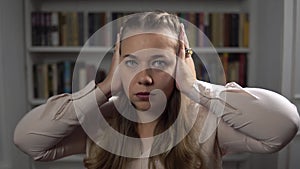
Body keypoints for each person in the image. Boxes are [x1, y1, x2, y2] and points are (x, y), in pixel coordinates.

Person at [14, 11, 300, 169]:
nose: (144, 77)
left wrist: (194, 87)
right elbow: (28, 140)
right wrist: (103, 88)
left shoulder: (205, 124)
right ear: (117, 65)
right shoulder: (100, 124)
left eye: (160, 62)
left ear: (181, 65)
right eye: (131, 62)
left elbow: (283, 124)